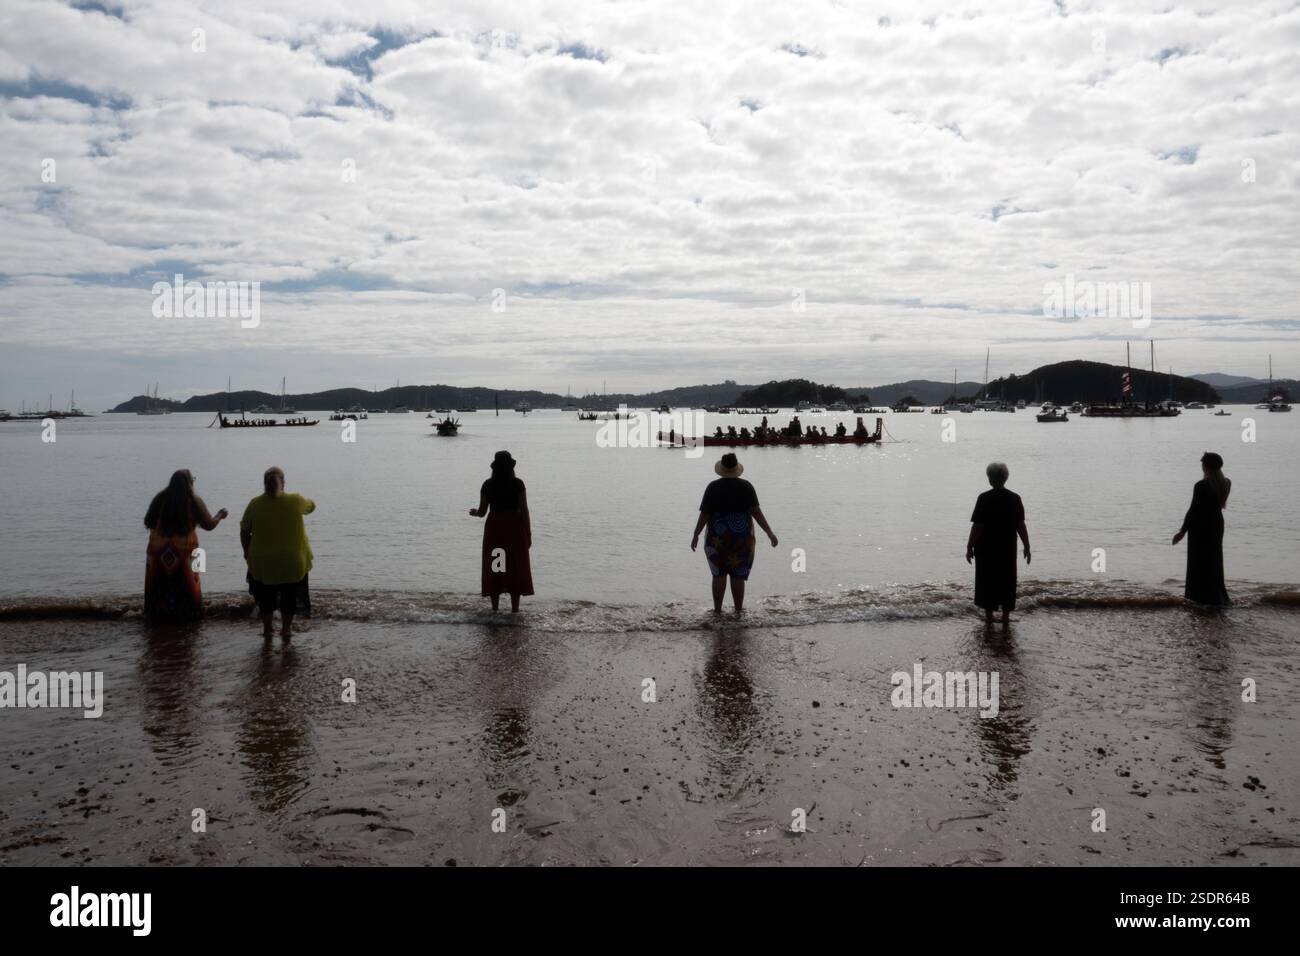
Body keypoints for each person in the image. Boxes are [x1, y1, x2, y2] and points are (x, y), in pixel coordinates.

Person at [691, 453, 778, 614]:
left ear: (722, 469)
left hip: (717, 536)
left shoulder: (713, 487)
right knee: (738, 574)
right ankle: (738, 611)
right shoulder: (746, 486)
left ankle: (717, 611)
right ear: (736, 468)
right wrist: (769, 532)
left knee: (718, 574)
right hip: (742, 536)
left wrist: (696, 534)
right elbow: (756, 512)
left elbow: (705, 514)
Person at [143, 469, 228, 624]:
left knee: (158, 585)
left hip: (157, 552)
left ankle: (157, 616)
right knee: (192, 583)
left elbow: (148, 522)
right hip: (188, 551)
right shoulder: (194, 501)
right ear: (190, 483)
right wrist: (220, 515)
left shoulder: (159, 499)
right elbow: (208, 525)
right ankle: (191, 615)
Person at [241, 466, 315, 639]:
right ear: (283, 483)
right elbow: (311, 507)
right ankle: (286, 630)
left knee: (266, 596)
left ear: (264, 484)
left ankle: (267, 630)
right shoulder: (296, 500)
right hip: (292, 561)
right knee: (289, 595)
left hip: (262, 561)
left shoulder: (254, 504)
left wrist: (246, 552)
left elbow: (244, 531)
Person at [965, 462, 1030, 625]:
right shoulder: (1015, 498)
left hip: (986, 548)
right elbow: (1020, 525)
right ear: (1005, 478)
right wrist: (1027, 546)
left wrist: (969, 546)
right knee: (1007, 580)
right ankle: (1006, 617)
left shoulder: (984, 498)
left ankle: (989, 616)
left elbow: (978, 526)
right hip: (1007, 548)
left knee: (986, 579)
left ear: (990, 479)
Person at [470, 450, 534, 613]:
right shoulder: (518, 484)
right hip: (514, 526)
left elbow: (483, 512)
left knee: (496, 565)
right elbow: (525, 510)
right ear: (511, 467)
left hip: (495, 528)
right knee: (515, 565)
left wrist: (475, 512)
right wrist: (528, 533)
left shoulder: (488, 484)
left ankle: (495, 609)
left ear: (495, 467)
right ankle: (514, 610)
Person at [1172, 452, 1231, 606]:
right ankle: (1217, 596)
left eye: (1203, 464)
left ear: (1206, 466)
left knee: (1197, 562)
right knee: (1214, 559)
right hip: (1217, 524)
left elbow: (1193, 510)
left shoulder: (1201, 485)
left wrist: (1182, 531)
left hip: (1200, 527)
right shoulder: (1226, 483)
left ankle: (1197, 597)